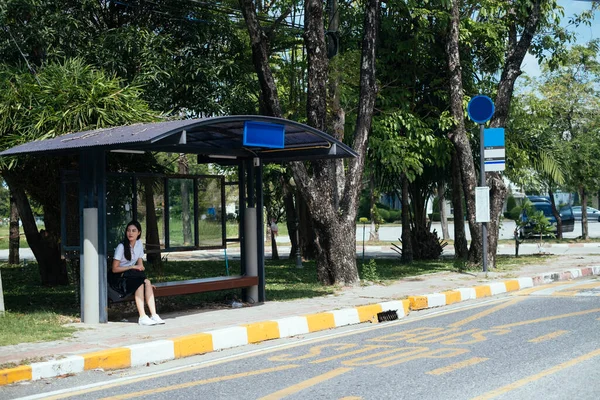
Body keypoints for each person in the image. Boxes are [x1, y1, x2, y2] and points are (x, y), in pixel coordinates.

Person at [112, 220, 165, 326]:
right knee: (139, 284)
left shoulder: (139, 244)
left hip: (131, 276)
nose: (130, 233)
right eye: (128, 230)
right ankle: (142, 317)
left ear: (139, 233)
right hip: (119, 279)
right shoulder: (121, 247)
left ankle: (154, 315)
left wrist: (145, 280)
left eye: (133, 231)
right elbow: (114, 269)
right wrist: (132, 266)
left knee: (147, 282)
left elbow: (140, 266)